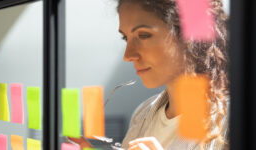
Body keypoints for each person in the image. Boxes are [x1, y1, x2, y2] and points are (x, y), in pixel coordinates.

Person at [70, 0, 229, 149]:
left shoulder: (233, 119)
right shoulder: (143, 113)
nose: (128, 55)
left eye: (143, 35)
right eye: (126, 38)